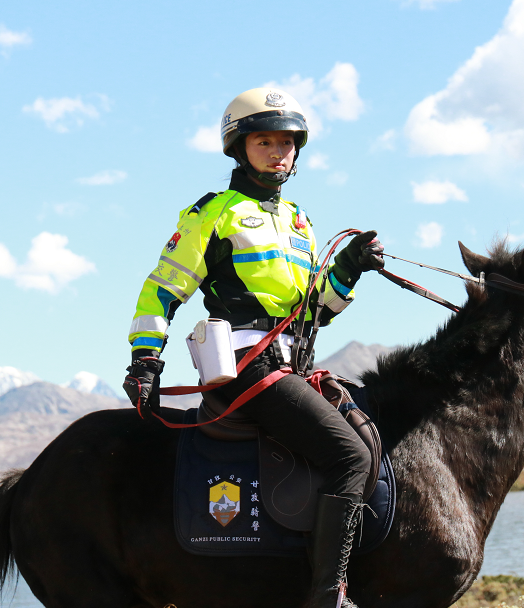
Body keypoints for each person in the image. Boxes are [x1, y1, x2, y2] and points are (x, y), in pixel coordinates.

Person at [122, 87, 383, 608]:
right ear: (239, 147)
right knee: (351, 456)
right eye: (264, 141)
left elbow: (315, 312)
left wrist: (348, 270)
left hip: (296, 363)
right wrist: (145, 361)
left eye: (287, 143)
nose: (277, 152)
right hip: (246, 363)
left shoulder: (300, 222)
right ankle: (327, 596)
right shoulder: (213, 213)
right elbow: (161, 290)